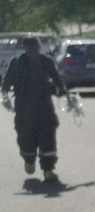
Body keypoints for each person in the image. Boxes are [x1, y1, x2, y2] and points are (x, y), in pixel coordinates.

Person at [1, 35, 68, 182]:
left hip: (44, 107)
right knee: (26, 137)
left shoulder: (46, 62)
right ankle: (29, 159)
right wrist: (4, 95)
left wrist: (62, 90)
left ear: (39, 48)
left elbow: (56, 78)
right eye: (29, 48)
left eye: (35, 48)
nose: (32, 51)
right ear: (25, 49)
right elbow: (7, 82)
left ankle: (48, 169)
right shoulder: (17, 62)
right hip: (24, 108)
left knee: (48, 137)